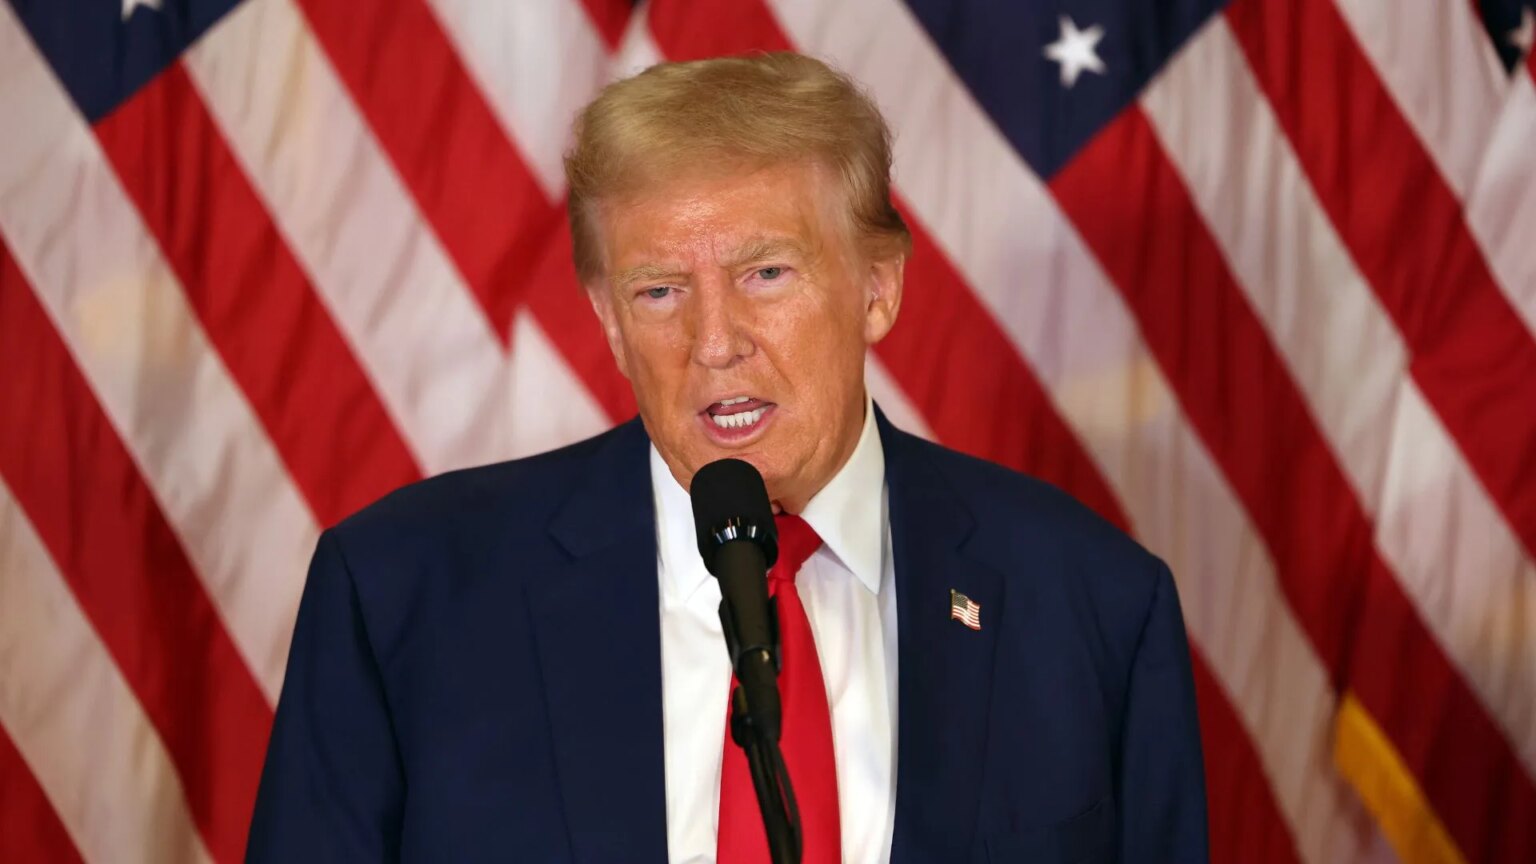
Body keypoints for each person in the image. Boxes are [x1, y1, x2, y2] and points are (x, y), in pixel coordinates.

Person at [247, 52, 1208, 864]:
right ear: (609, 325)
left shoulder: (1092, 607)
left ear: (879, 287)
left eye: (766, 274)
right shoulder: (404, 597)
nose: (715, 342)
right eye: (660, 291)